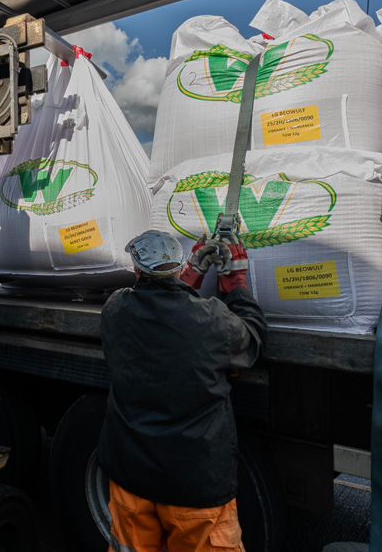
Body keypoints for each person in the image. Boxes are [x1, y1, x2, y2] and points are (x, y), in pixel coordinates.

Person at [97, 230, 268, 552]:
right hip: (194, 484)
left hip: (130, 476)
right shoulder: (212, 320)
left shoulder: (115, 309)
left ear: (136, 269)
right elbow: (252, 339)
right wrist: (236, 283)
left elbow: (164, 311)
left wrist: (192, 274)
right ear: (178, 266)